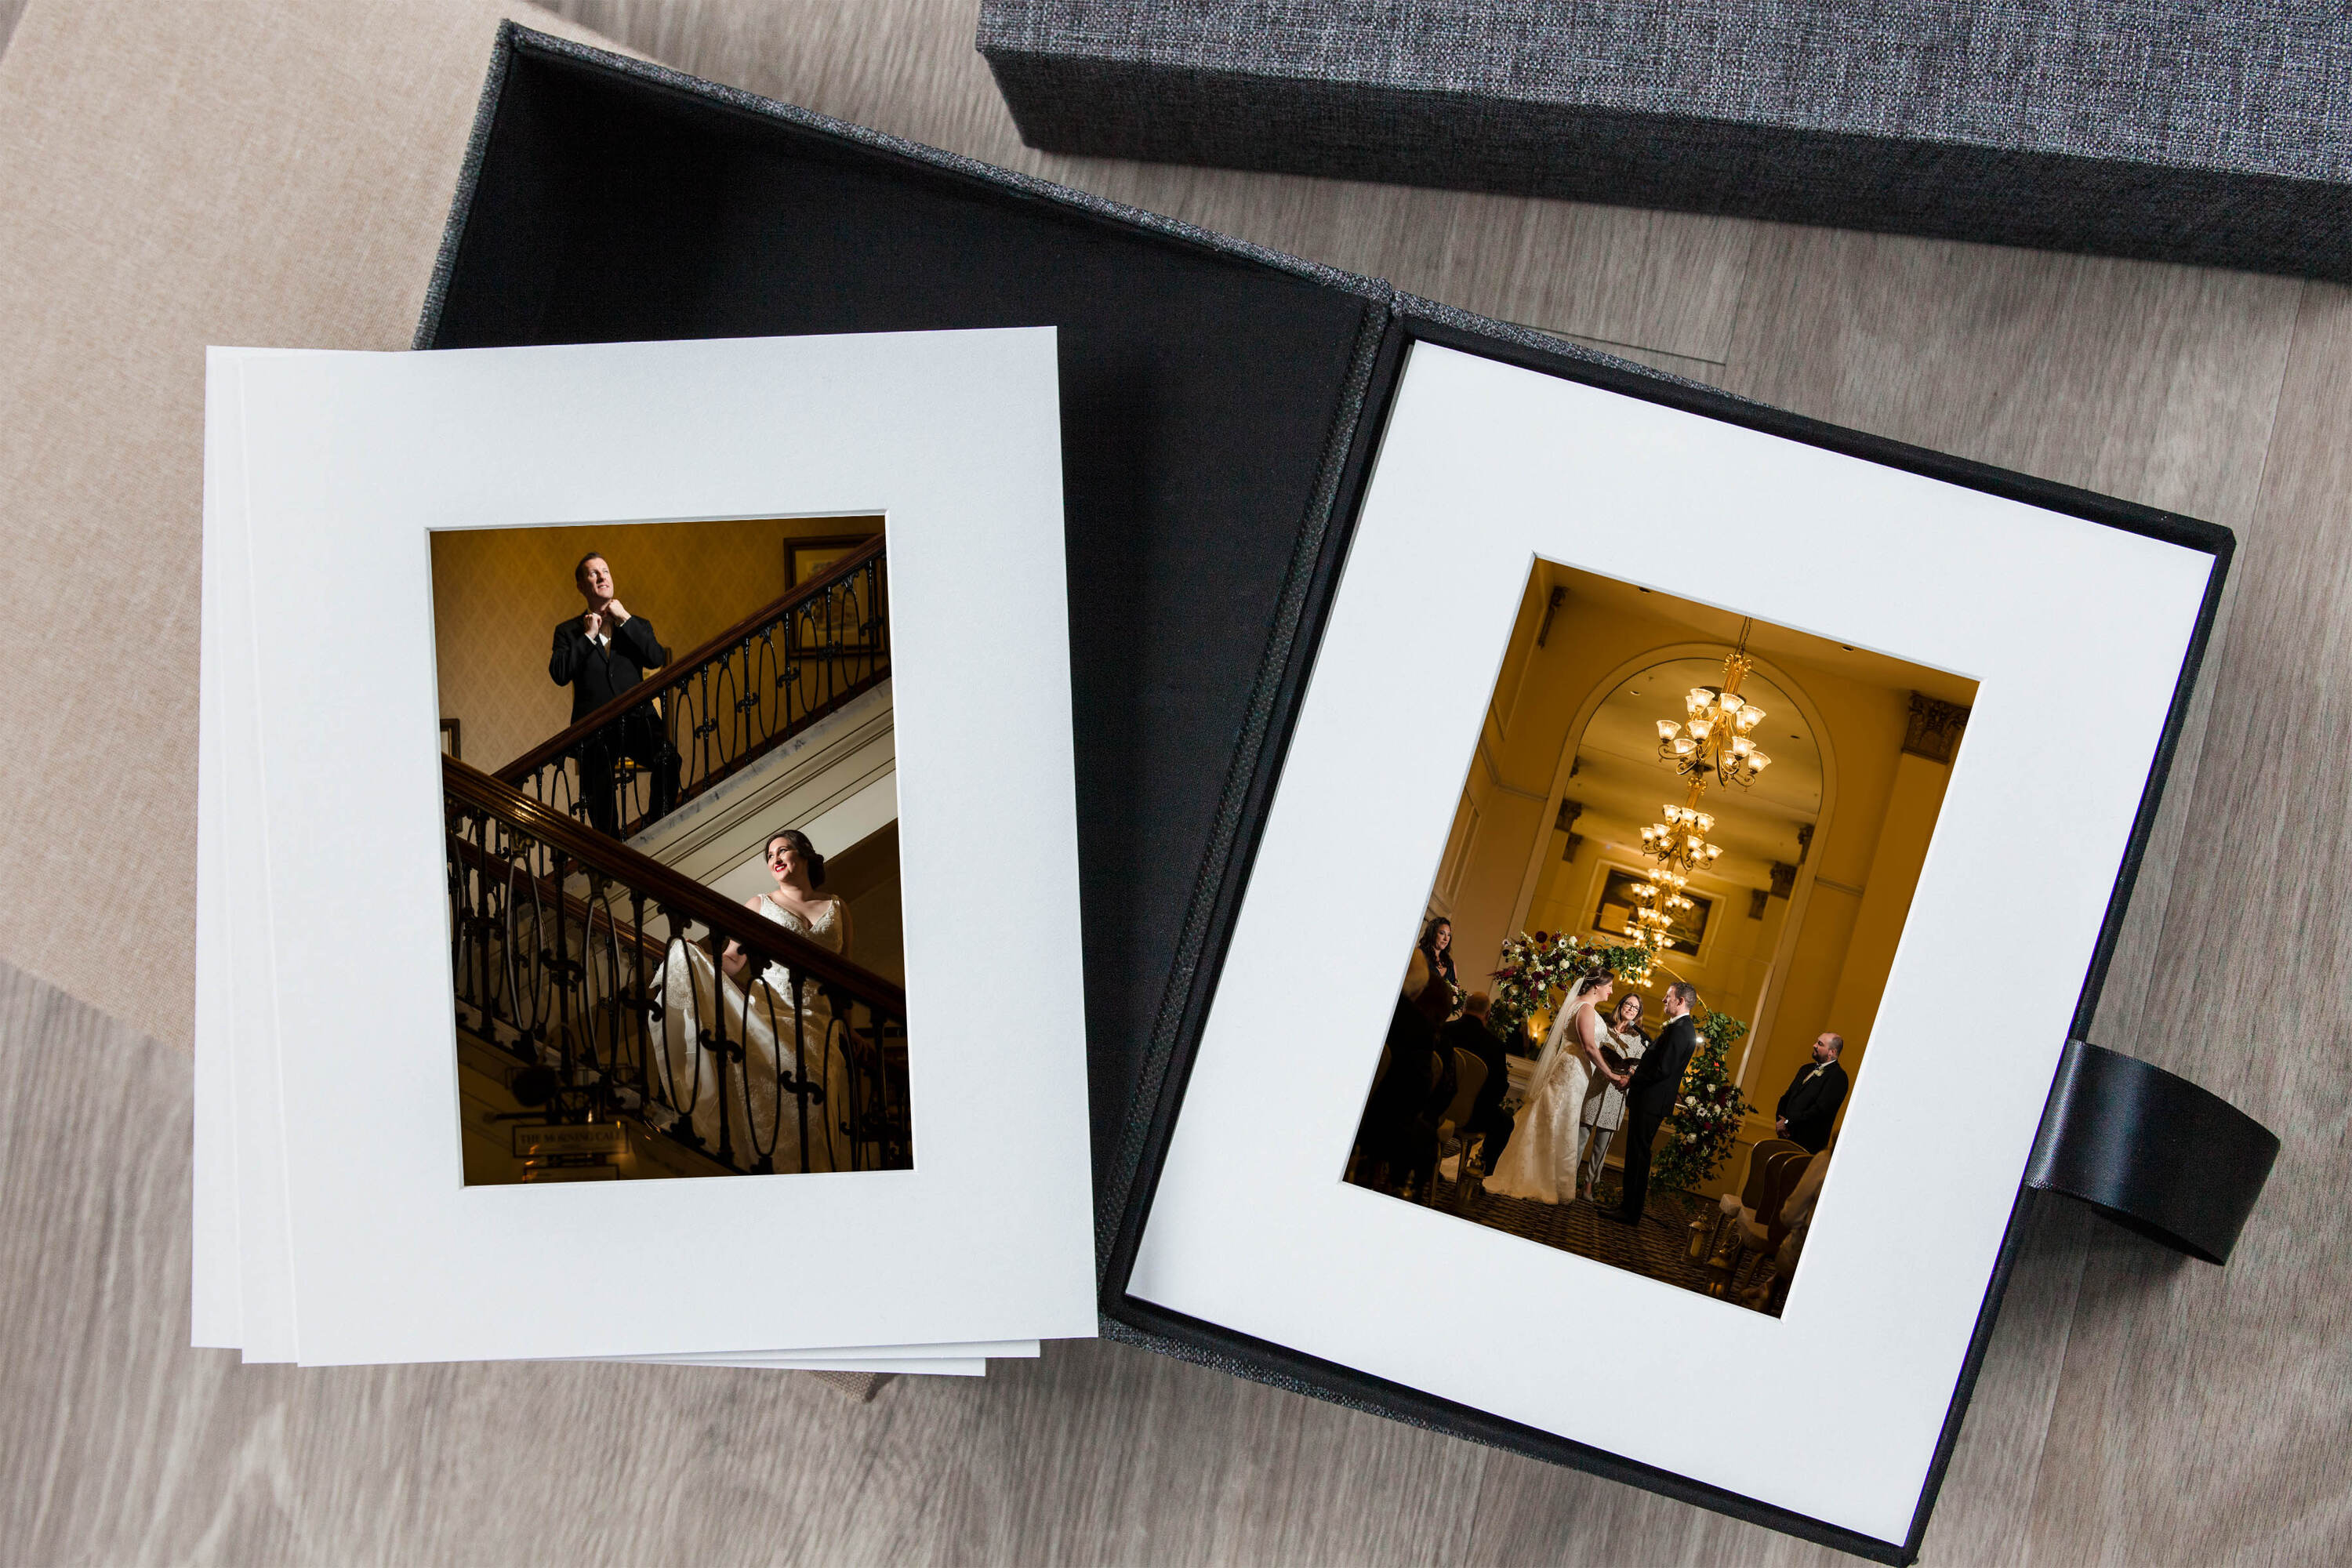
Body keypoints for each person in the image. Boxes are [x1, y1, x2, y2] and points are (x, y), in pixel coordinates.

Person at [652, 827, 856, 1173]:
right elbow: (733, 960)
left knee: (817, 1113)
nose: (775, 859)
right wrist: (697, 957)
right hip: (770, 1018)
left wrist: (849, 1032)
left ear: (805, 855)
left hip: (822, 1026)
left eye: (782, 850)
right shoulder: (760, 904)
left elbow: (846, 979)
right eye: (769, 856)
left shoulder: (838, 907)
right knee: (779, 1107)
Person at [549, 551, 680, 836]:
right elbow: (559, 674)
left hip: (637, 721)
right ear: (581, 587)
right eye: (593, 573)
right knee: (598, 791)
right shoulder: (568, 632)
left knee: (669, 759)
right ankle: (612, 847)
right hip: (594, 730)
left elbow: (656, 658)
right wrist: (588, 636)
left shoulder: (637, 624)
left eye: (605, 571)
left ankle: (659, 826)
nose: (601, 577)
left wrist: (626, 620)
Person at [1483, 971, 1624, 1205]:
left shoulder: (1579, 1004)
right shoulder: (1585, 1009)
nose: (1611, 991)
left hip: (1573, 1069)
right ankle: (1539, 1175)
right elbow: (1589, 1047)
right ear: (1597, 986)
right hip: (1572, 1071)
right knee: (1558, 1118)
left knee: (1555, 1117)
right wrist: (1610, 1074)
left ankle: (1546, 1173)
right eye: (1609, 986)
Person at [1605, 980, 1699, 1228]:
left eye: (1668, 996)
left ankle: (1630, 1212)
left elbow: (1663, 1069)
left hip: (1651, 1102)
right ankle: (1627, 1208)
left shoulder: (1681, 1030)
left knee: (1638, 1156)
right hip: (1650, 1101)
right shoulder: (1681, 1027)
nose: (1664, 1000)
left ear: (1681, 1001)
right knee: (1637, 1155)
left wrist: (1633, 1079)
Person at [1575, 992, 1650, 1202]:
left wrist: (1629, 1076)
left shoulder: (1639, 1039)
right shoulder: (1604, 1027)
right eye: (1628, 1004)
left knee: (1601, 1146)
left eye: (1635, 1008)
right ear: (1621, 1005)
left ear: (1639, 1014)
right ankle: (1568, 1179)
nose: (1631, 1009)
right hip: (1594, 1086)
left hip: (1617, 1094)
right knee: (1579, 1139)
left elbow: (1638, 1067)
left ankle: (1589, 1186)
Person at [1446, 992, 1514, 1178]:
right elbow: (1499, 1088)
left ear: (1463, 1008)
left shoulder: (1444, 1030)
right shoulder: (1495, 1046)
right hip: (1474, 1116)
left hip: (1436, 1108)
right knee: (1505, 1123)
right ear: (1488, 1014)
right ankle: (1479, 1174)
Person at [1774, 1033, 1849, 1153]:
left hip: (1807, 1145)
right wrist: (1780, 1122)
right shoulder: (1805, 1069)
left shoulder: (1838, 1077)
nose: (1814, 1045)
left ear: (1832, 1052)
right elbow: (1786, 1098)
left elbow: (1820, 1111)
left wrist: (1788, 1123)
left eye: (1820, 1044)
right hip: (1785, 1137)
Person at [1417, 916, 1460, 1015]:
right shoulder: (1419, 954)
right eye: (1442, 933)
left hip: (1436, 1018)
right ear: (1433, 933)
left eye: (1449, 935)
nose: (1446, 939)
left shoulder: (1451, 965)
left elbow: (1456, 995)